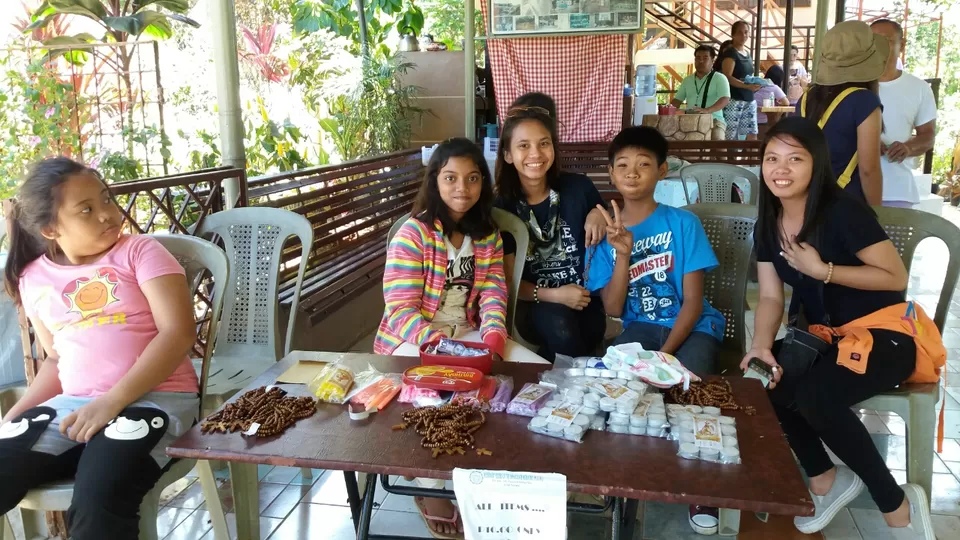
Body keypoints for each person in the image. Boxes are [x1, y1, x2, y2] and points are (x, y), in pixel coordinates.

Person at [745, 116, 942, 539]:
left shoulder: (842, 212)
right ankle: (825, 479)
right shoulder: (769, 224)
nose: (781, 169)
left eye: (795, 159)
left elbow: (894, 277)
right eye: (772, 158)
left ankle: (897, 506)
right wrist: (761, 347)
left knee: (816, 398)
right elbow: (770, 297)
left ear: (816, 164)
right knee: (764, 383)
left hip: (888, 337)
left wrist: (825, 271)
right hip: (827, 340)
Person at [0, 158, 200, 539]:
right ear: (51, 229)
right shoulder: (34, 278)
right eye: (86, 210)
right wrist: (13, 418)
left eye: (106, 199)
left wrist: (111, 401)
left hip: (155, 401)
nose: (107, 213)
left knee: (98, 498)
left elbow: (178, 333)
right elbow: (55, 360)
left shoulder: (140, 251)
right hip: (73, 408)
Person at [375, 138, 547, 538]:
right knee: (429, 401)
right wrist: (443, 350)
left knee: (538, 380)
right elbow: (400, 310)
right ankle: (429, 487)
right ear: (434, 181)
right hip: (414, 339)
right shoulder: (413, 234)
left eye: (472, 178)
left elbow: (493, 292)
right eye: (450, 178)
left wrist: (494, 338)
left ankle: (522, 475)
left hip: (469, 332)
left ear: (483, 183)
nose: (462, 188)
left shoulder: (486, 234)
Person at [586, 127, 726, 535]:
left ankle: (702, 487)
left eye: (644, 164)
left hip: (693, 326)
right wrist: (623, 255)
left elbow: (694, 302)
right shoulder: (607, 234)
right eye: (623, 165)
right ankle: (620, 469)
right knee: (614, 384)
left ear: (662, 171)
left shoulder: (683, 224)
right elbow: (613, 309)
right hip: (641, 327)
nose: (632, 173)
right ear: (611, 173)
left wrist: (667, 355)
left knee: (692, 390)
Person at [495, 106, 608, 361]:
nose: (535, 153)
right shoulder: (501, 208)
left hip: (585, 300)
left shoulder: (579, 188)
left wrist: (598, 213)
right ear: (508, 155)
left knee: (588, 333)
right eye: (523, 145)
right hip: (533, 304)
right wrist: (557, 295)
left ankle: (546, 374)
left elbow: (608, 218)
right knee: (561, 327)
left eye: (544, 143)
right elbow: (508, 282)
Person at [798, 20, 887, 206]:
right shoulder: (864, 101)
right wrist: (877, 212)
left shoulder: (807, 98)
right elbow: (869, 170)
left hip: (806, 203)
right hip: (847, 205)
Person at [871, 19, 938, 209]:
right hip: (851, 188)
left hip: (897, 191)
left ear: (902, 45)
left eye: (887, 40)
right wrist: (864, 143)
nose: (879, 47)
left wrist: (908, 148)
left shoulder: (919, 88)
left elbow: (928, 135)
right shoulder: (852, 86)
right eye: (873, 40)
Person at [670, 45, 731, 141]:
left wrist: (707, 110)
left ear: (712, 60)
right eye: (698, 58)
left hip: (714, 119)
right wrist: (668, 110)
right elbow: (677, 100)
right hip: (690, 119)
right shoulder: (687, 80)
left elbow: (725, 99)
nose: (701, 61)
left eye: (705, 58)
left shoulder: (720, 78)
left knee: (718, 142)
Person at [720, 21, 761, 141]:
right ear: (733, 35)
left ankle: (750, 154)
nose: (743, 35)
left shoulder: (747, 53)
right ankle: (729, 154)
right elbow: (727, 76)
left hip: (749, 98)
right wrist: (746, 86)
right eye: (740, 33)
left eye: (746, 32)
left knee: (752, 133)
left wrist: (755, 83)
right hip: (734, 99)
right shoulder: (731, 53)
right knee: (730, 134)